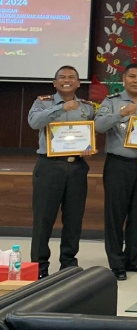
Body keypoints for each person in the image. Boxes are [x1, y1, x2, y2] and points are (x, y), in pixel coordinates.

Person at [94, 63, 137, 280]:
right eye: (132, 76)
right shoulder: (112, 102)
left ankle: (133, 259)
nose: (136, 80)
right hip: (118, 165)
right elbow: (98, 126)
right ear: (123, 79)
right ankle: (116, 263)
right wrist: (121, 113)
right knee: (115, 215)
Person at [27, 65, 95, 279]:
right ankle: (39, 267)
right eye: (62, 77)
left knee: (74, 219)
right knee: (43, 219)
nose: (67, 80)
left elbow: (91, 132)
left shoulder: (87, 107)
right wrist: (62, 108)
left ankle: (68, 265)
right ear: (55, 83)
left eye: (71, 77)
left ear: (78, 83)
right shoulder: (42, 102)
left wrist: (88, 147)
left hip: (77, 167)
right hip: (50, 166)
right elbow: (34, 122)